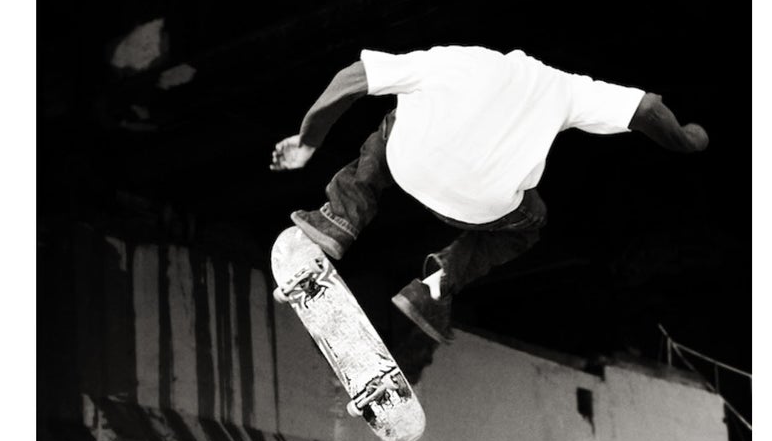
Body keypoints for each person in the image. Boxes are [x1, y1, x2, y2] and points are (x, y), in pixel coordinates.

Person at [270, 45, 708, 345]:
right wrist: (688, 141)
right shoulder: (568, 88)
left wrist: (309, 140)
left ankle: (339, 219)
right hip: (483, 208)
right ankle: (434, 288)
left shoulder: (456, 59)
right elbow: (649, 110)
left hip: (410, 166)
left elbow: (354, 77)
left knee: (393, 123)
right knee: (529, 223)